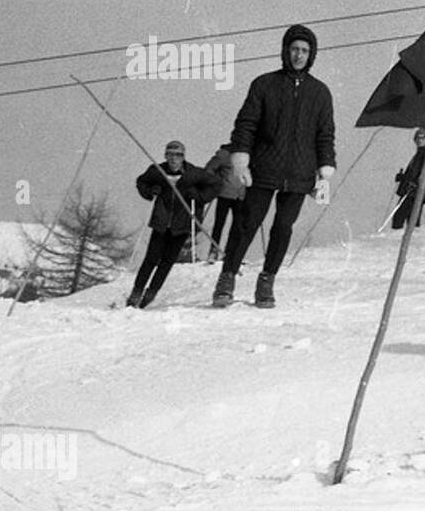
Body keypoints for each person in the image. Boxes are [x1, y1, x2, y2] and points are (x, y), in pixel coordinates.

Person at [212, 24, 336, 308]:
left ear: (311, 54)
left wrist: (325, 170)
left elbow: (325, 135)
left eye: (305, 51)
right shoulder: (264, 84)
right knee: (246, 224)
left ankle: (266, 281)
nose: (299, 55)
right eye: (294, 49)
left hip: (301, 174)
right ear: (285, 50)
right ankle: (227, 277)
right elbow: (246, 124)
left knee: (283, 227)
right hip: (264, 169)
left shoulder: (320, 93)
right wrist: (241, 157)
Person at [130, 141, 220, 308]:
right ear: (165, 156)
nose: (173, 159)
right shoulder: (157, 171)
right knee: (151, 259)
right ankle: (136, 292)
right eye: (170, 154)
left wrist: (199, 197)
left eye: (178, 155)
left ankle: (151, 293)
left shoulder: (193, 174)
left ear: (183, 157)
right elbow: (141, 182)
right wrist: (150, 192)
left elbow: (215, 184)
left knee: (168, 261)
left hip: (182, 224)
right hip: (161, 223)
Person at [204, 142, 245, 263]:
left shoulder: (246, 155)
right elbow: (209, 169)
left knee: (238, 226)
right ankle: (213, 251)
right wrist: (215, 183)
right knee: (219, 223)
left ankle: (231, 253)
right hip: (224, 194)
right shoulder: (224, 154)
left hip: (240, 195)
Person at [391, 128, 425, 229]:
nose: (419, 140)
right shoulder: (419, 154)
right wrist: (403, 178)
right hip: (412, 191)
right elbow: (413, 173)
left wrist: (416, 183)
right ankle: (405, 238)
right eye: (417, 138)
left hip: (415, 192)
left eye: (423, 138)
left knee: (403, 217)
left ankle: (402, 239)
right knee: (408, 218)